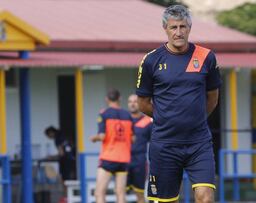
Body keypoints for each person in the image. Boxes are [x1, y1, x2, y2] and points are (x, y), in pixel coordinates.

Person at [136, 5, 221, 203]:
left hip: (199, 143)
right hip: (164, 145)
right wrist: (167, 119)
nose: (179, 32)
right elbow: (142, 103)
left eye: (183, 26)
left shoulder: (206, 57)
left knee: (205, 198)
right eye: (174, 27)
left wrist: (194, 119)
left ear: (190, 28)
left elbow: (213, 98)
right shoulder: (151, 60)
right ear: (165, 28)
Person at [90, 89, 133, 203]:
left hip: (109, 157)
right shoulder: (127, 115)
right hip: (124, 158)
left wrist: (94, 139)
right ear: (120, 98)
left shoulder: (104, 113)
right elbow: (133, 138)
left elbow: (102, 136)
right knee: (120, 193)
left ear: (107, 99)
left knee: (99, 192)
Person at [127, 94, 152, 203]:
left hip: (139, 160)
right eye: (130, 101)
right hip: (123, 160)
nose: (132, 104)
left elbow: (155, 142)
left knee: (140, 194)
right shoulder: (123, 120)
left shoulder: (147, 121)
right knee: (120, 192)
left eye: (135, 101)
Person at [44, 126, 76, 203]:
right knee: (71, 178)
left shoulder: (57, 138)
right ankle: (70, 196)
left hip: (66, 161)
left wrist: (51, 157)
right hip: (72, 159)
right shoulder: (63, 135)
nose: (49, 137)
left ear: (51, 133)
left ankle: (66, 198)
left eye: (48, 135)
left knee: (65, 180)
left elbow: (61, 153)